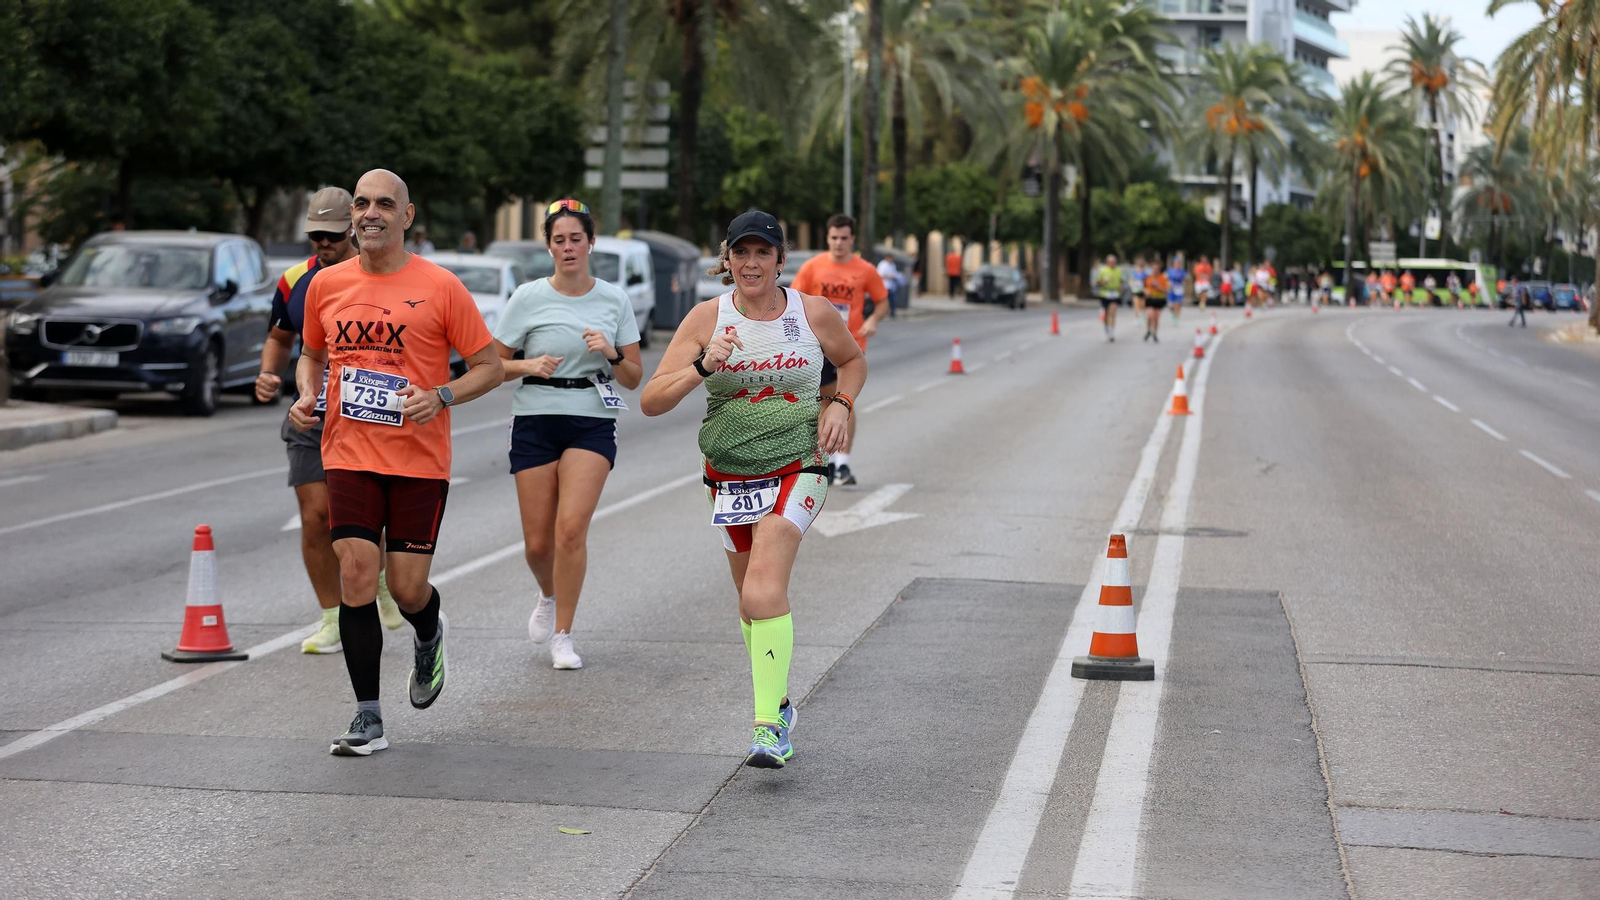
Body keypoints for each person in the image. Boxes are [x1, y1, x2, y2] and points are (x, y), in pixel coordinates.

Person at [289, 169, 504, 756]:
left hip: (418, 461)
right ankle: (367, 717)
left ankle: (429, 629)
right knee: (357, 573)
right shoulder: (325, 286)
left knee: (407, 589)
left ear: (407, 217)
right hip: (348, 451)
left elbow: (489, 365)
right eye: (362, 203)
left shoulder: (440, 286)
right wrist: (306, 393)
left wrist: (442, 396)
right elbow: (310, 355)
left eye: (385, 203)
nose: (371, 213)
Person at [640, 209, 864, 769]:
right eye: (742, 253)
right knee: (749, 604)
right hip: (729, 476)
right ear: (727, 259)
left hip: (798, 466)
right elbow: (652, 400)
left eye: (763, 252)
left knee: (763, 591)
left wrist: (839, 404)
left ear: (781, 261)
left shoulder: (811, 313)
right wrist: (702, 366)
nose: (752, 263)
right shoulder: (706, 319)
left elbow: (852, 361)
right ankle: (780, 702)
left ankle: (768, 729)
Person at [492, 200, 642, 669]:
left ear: (591, 243)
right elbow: (490, 366)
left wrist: (612, 352)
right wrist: (527, 364)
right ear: (549, 246)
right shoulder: (528, 297)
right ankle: (548, 593)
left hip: (591, 418)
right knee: (538, 544)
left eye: (576, 238)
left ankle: (564, 636)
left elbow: (635, 376)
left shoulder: (614, 299)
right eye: (559, 240)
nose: (569, 247)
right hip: (535, 417)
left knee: (571, 530)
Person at [256, 187, 403, 653]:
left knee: (364, 520)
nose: (324, 243)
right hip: (313, 416)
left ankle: (377, 582)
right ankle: (332, 616)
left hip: (367, 418)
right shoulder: (296, 279)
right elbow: (282, 338)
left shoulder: (377, 275)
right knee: (316, 517)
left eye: (333, 235)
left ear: (354, 229)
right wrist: (267, 373)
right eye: (316, 235)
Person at [791, 213, 888, 486]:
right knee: (824, 400)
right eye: (834, 238)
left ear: (852, 239)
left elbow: (883, 302)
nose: (839, 243)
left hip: (850, 345)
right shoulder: (813, 267)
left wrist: (872, 320)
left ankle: (842, 464)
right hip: (818, 344)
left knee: (844, 400)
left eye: (844, 238)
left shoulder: (865, 270)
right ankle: (826, 461)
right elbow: (795, 300)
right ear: (827, 238)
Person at [1093, 254, 1123, 341]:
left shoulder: (1118, 270)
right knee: (1106, 315)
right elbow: (1097, 283)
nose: (1113, 263)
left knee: (1112, 313)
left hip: (1115, 294)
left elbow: (1120, 281)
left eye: (1114, 262)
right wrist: (1103, 282)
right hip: (1105, 294)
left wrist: (1120, 289)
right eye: (1111, 262)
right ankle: (1107, 329)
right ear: (1107, 262)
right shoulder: (1102, 270)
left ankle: (1111, 333)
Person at [1143, 263, 1169, 342]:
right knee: (1150, 315)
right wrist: (1146, 292)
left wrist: (1158, 287)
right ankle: (1148, 330)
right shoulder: (1148, 278)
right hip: (1150, 299)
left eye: (1156, 269)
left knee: (1156, 317)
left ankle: (1155, 333)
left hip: (1159, 299)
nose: (1155, 270)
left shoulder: (1163, 278)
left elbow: (1166, 290)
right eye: (1153, 269)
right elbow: (1144, 288)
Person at [1165, 254, 1186, 323]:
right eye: (1176, 263)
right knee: (1171, 305)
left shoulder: (1182, 271)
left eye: (1178, 263)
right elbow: (1165, 278)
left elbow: (1184, 280)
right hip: (1171, 289)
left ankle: (1176, 318)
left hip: (1179, 289)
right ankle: (1173, 314)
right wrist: (1168, 283)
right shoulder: (1169, 271)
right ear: (1174, 263)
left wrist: (1183, 283)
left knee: (1178, 304)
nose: (1177, 264)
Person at [1127, 256, 1148, 321]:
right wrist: (1132, 284)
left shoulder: (1145, 274)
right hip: (1136, 291)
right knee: (1136, 305)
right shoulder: (1134, 273)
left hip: (1142, 291)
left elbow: (1147, 282)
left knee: (1143, 305)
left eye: (1142, 266)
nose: (1140, 268)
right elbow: (1130, 280)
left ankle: (1142, 314)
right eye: (1139, 266)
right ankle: (1137, 318)